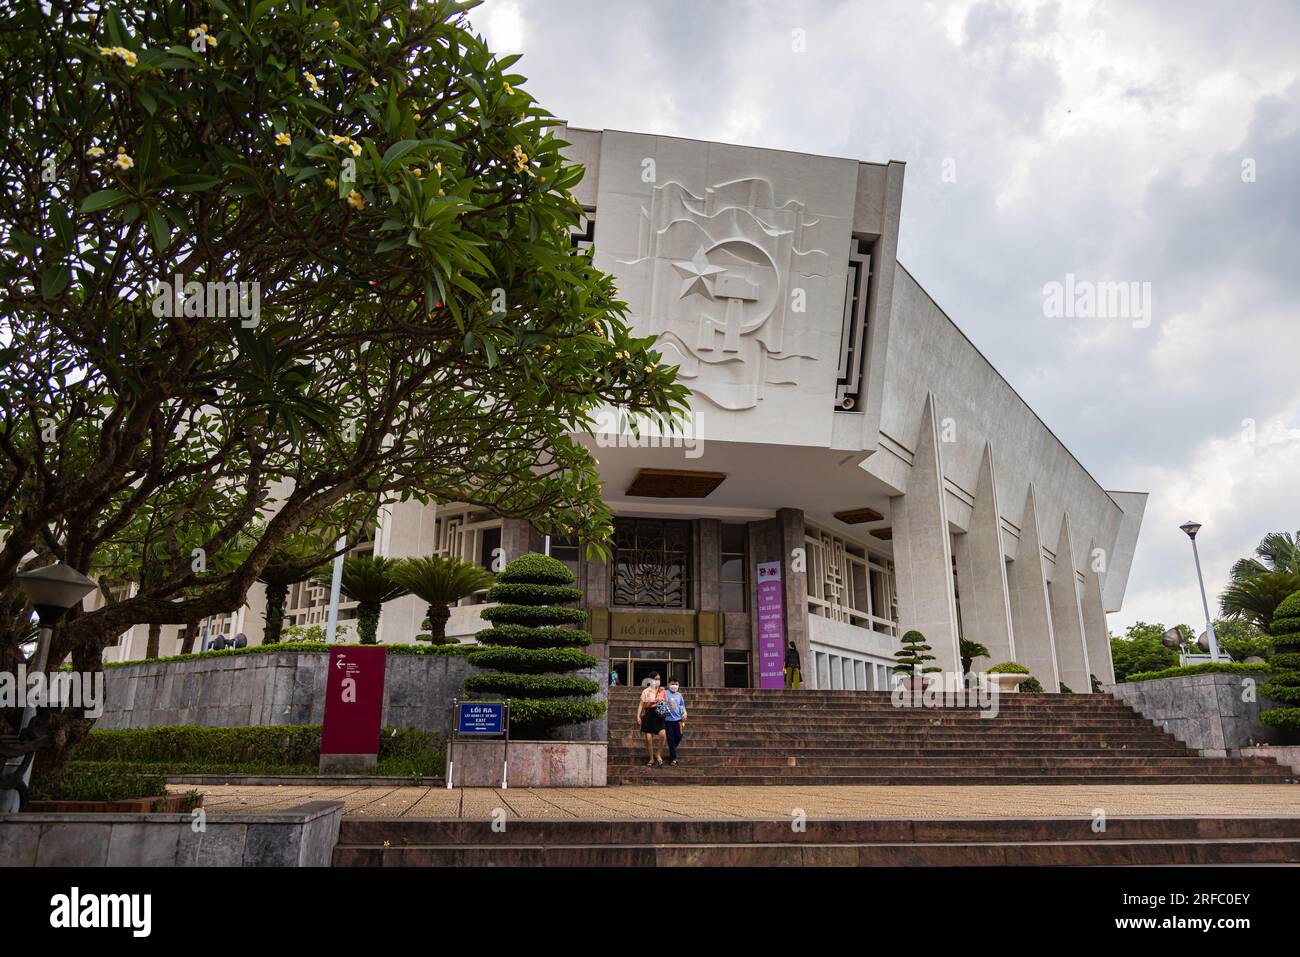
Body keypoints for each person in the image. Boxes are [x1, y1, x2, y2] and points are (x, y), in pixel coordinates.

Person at [636, 672, 666, 768]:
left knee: (663, 734)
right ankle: (651, 758)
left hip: (659, 714)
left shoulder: (662, 691)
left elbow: (665, 703)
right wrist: (638, 716)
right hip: (648, 714)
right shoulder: (646, 691)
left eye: (659, 679)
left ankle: (658, 754)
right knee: (648, 738)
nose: (658, 681)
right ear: (651, 680)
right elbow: (641, 704)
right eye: (656, 679)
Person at [661, 678, 688, 766]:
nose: (674, 686)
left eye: (676, 684)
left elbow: (682, 705)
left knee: (679, 736)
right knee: (671, 739)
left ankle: (672, 750)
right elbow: (660, 703)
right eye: (673, 684)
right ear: (669, 684)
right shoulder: (664, 693)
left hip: (678, 720)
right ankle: (674, 758)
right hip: (668, 720)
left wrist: (685, 713)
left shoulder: (679, 695)